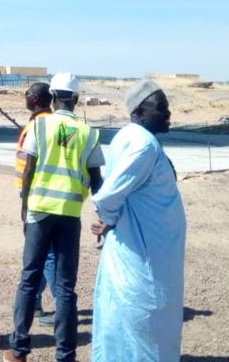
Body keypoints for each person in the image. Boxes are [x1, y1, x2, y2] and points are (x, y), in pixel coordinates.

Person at [4, 72, 104, 362]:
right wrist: (105, 215)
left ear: (54, 96)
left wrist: (25, 207)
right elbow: (97, 181)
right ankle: (65, 355)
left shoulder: (40, 126)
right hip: (70, 216)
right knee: (65, 288)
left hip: (39, 212)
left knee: (28, 278)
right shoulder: (88, 134)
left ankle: (19, 349)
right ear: (76, 99)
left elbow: (29, 169)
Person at [89, 80, 186, 362]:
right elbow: (107, 196)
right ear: (139, 112)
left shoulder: (131, 138)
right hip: (144, 260)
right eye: (162, 108)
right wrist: (109, 218)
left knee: (127, 333)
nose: (168, 113)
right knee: (149, 332)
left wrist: (112, 220)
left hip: (139, 251)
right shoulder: (143, 146)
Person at [15, 81, 56, 323]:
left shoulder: (41, 125)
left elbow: (32, 166)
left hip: (38, 196)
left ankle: (61, 307)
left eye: (28, 94)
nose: (25, 97)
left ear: (37, 98)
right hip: (31, 193)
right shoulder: (36, 123)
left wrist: (26, 202)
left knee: (45, 253)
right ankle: (36, 302)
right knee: (40, 252)